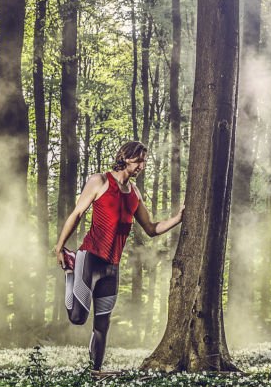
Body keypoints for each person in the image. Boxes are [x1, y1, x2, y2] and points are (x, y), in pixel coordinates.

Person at [53, 141, 183, 371]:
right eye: (138, 160)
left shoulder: (134, 193)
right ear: (125, 157)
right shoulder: (99, 181)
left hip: (112, 267)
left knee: (102, 324)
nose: (142, 165)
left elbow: (152, 229)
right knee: (78, 318)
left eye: (144, 160)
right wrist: (60, 246)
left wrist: (179, 217)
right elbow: (77, 213)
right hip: (89, 259)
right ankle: (70, 273)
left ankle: (95, 373)